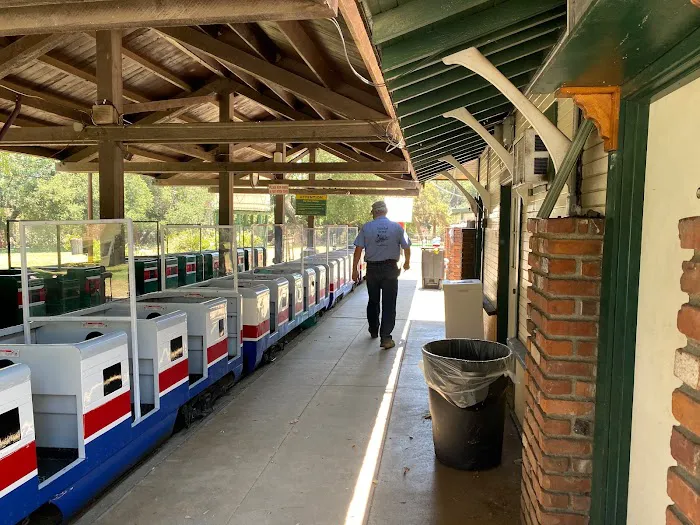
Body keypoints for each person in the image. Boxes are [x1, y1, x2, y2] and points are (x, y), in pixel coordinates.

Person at [352, 201, 411, 349]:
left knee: (373, 301)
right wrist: (407, 262)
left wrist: (354, 270)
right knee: (389, 303)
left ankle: (373, 330)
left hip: (372, 269)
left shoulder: (367, 227)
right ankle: (386, 338)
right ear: (386, 211)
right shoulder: (397, 227)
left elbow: (358, 250)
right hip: (390, 269)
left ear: (374, 212)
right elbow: (406, 246)